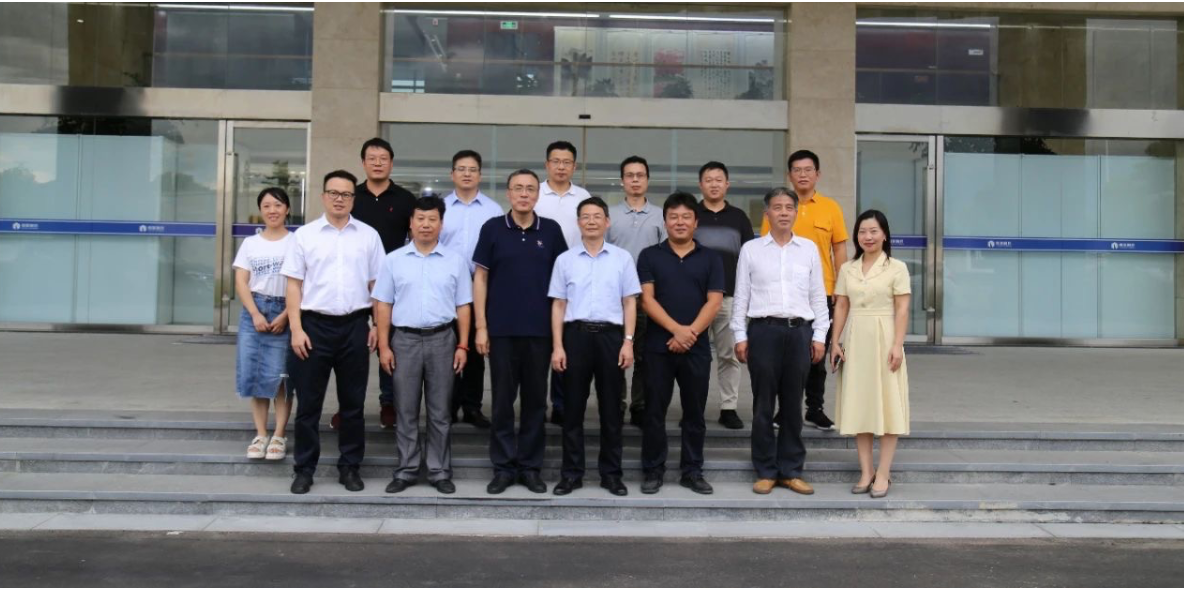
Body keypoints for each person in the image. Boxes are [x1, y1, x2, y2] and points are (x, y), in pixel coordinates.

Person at [282, 170, 385, 495]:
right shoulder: (305, 236)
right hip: (313, 327)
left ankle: (350, 467)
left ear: (354, 199)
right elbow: (293, 285)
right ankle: (304, 469)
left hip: (355, 326)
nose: (340, 199)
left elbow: (378, 286)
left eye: (346, 194)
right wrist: (296, 329)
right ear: (323, 196)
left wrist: (377, 325)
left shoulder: (368, 236)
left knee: (353, 404)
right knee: (308, 406)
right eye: (334, 193)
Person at [473, 169, 567, 495]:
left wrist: (559, 335)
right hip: (501, 331)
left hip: (540, 332)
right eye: (518, 188)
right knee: (502, 402)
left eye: (530, 189)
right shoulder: (492, 228)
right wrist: (481, 327)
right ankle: (502, 467)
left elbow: (562, 283)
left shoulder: (551, 231)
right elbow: (480, 278)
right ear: (508, 194)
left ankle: (529, 467)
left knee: (535, 402)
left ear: (537, 195)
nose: (524, 194)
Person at [732, 187, 830, 496]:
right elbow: (741, 295)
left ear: (796, 213)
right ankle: (765, 470)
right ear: (767, 214)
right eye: (777, 207)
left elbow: (818, 296)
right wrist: (740, 334)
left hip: (799, 332)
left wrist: (819, 336)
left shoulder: (808, 249)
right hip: (763, 331)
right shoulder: (751, 249)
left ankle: (791, 470)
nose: (784, 212)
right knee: (763, 404)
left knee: (792, 403)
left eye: (789, 207)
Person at [374, 196, 473, 496]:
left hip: (443, 339)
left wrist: (463, 345)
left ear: (441, 224)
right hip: (403, 341)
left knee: (440, 411)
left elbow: (464, 306)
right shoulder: (394, 260)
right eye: (420, 219)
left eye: (432, 219)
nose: (426, 225)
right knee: (405, 409)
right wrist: (384, 346)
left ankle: (439, 471)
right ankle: (406, 470)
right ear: (411, 223)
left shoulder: (455, 261)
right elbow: (383, 305)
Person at [549, 196, 641, 497]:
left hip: (611, 338)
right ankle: (571, 474)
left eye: (597, 216)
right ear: (578, 223)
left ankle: (611, 474)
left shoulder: (622, 258)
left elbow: (630, 302)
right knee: (572, 410)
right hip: (575, 337)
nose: (591, 221)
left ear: (607, 221)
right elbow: (558, 305)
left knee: (611, 409)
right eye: (585, 216)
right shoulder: (565, 260)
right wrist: (558, 346)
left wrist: (628, 342)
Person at [636, 192, 723, 495]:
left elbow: (714, 301)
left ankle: (692, 471)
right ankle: (652, 470)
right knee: (654, 412)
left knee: (694, 413)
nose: (680, 222)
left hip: (696, 349)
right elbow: (647, 300)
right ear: (665, 222)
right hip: (658, 348)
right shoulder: (649, 256)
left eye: (686, 217)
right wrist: (677, 331)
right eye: (673, 217)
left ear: (696, 222)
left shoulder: (710, 258)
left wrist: (690, 334)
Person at [760, 150, 849, 431]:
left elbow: (839, 249)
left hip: (823, 291)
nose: (802, 175)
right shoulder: (779, 207)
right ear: (789, 175)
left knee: (816, 353)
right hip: (785, 293)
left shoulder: (831, 208)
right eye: (797, 170)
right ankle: (785, 410)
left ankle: (815, 408)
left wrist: (842, 286)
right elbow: (765, 249)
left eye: (808, 169)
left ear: (817, 174)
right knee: (786, 355)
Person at [828, 209, 911, 499]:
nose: (868, 236)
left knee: (888, 405)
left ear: (884, 234)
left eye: (874, 231)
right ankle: (866, 471)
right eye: (862, 231)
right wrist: (835, 342)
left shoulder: (897, 267)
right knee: (860, 404)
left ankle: (883, 473)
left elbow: (902, 308)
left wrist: (897, 345)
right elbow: (841, 305)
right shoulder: (848, 269)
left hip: (885, 337)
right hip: (856, 339)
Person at [345, 137, 417, 431]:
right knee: (354, 349)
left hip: (395, 284)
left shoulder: (405, 199)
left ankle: (389, 402)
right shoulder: (351, 197)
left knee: (391, 344)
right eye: (372, 158)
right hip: (355, 281)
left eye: (383, 158)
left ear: (391, 163)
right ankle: (351, 407)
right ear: (363, 163)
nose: (377, 163)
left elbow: (415, 240)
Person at [440, 149, 502, 429]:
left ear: (480, 174)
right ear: (452, 174)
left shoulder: (493, 210)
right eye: (461, 169)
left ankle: (472, 407)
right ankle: (448, 406)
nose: (467, 174)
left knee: (477, 349)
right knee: (447, 347)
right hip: (446, 289)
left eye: (472, 169)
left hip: (480, 287)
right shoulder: (440, 208)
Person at [233, 187, 294, 461]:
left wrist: (287, 315)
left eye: (278, 205)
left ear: (287, 209)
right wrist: (255, 314)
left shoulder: (297, 242)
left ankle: (279, 434)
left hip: (285, 309)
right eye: (267, 205)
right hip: (253, 311)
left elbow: (303, 282)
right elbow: (241, 281)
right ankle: (260, 434)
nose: (272, 210)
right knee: (256, 374)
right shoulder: (250, 243)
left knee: (281, 377)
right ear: (260, 210)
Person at [694, 161, 755, 430]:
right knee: (695, 357)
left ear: (727, 184)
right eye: (709, 180)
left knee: (729, 355)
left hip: (730, 297)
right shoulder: (692, 214)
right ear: (701, 185)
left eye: (719, 179)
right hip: (695, 299)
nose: (714, 184)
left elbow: (749, 259)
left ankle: (728, 408)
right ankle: (694, 407)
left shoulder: (739, 218)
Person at [607, 155, 667, 428]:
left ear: (647, 180)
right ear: (622, 181)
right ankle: (616, 404)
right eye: (629, 175)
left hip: (647, 295)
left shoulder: (660, 216)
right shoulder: (609, 215)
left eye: (640, 175)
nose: (634, 180)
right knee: (615, 353)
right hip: (615, 296)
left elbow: (664, 256)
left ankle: (639, 405)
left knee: (644, 354)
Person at [533, 140, 590, 426]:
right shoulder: (535, 194)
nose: (560, 167)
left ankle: (560, 403)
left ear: (574, 166)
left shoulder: (583, 197)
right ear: (547, 164)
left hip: (573, 281)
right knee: (539, 344)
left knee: (564, 343)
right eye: (555, 161)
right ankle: (536, 403)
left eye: (566, 162)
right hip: (538, 278)